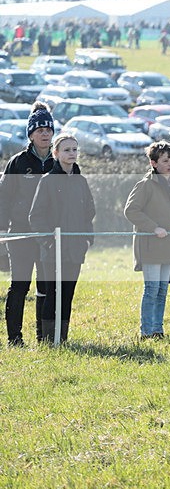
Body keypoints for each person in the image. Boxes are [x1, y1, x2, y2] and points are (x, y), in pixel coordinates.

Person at [28, 134, 95, 343]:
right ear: (56, 153)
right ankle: (49, 339)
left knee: (67, 294)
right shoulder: (47, 181)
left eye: (74, 149)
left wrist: (87, 239)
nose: (72, 153)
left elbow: (89, 212)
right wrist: (48, 241)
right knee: (52, 293)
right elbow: (36, 216)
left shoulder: (81, 181)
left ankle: (62, 338)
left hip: (75, 249)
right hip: (53, 250)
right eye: (67, 150)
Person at [0, 102, 55, 346]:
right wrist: (3, 229)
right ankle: (14, 338)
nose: (45, 134)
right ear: (31, 134)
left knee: (45, 286)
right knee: (20, 286)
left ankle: (44, 337)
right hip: (20, 234)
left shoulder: (59, 162)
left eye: (48, 130)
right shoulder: (17, 163)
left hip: (49, 236)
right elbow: (4, 198)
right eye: (40, 130)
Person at [124, 142, 170, 339]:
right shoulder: (145, 185)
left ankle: (157, 330)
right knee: (151, 289)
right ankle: (146, 331)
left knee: (162, 289)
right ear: (153, 163)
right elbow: (131, 211)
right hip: (150, 245)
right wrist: (153, 227)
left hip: (169, 244)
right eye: (165, 161)